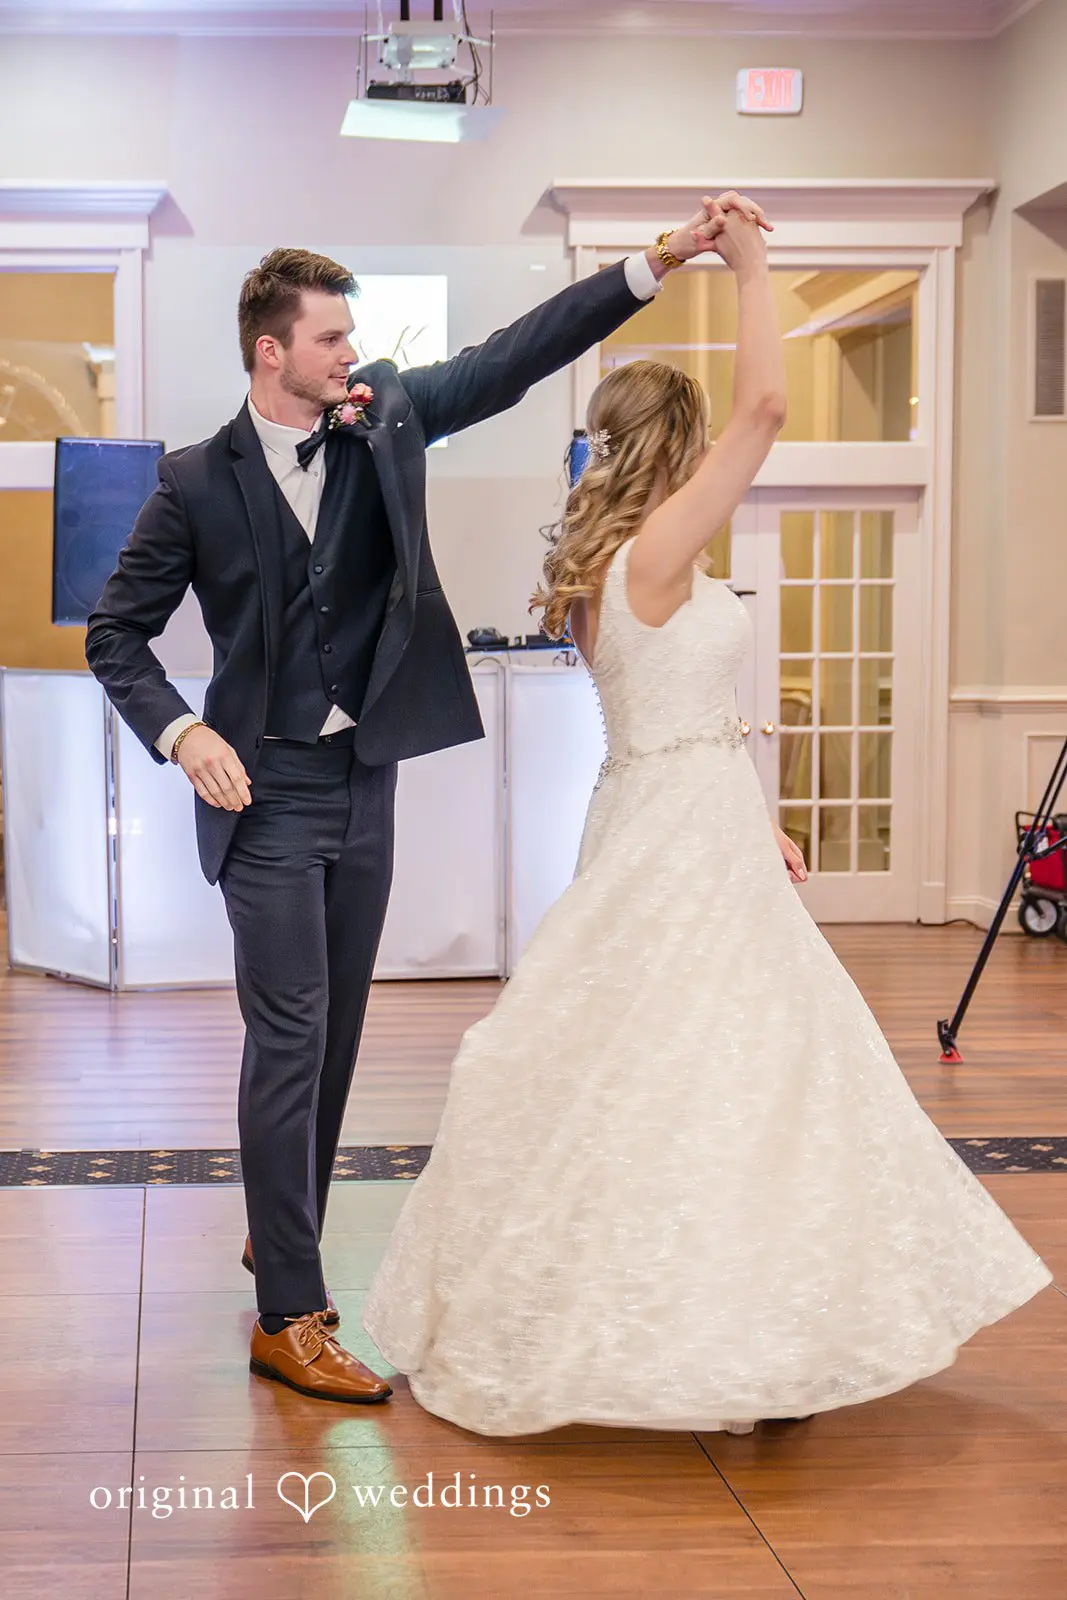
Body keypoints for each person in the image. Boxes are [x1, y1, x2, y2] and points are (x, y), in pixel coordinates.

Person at [361, 201, 1052, 1437]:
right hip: (676, 833)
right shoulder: (656, 546)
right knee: (722, 1068)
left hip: (666, 813)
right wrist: (750, 267)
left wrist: (762, 815)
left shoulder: (599, 565)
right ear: (670, 452)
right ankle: (726, 1328)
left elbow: (675, 714)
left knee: (686, 1067)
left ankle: (736, 1318)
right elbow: (770, 410)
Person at [84, 195, 758, 1404]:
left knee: (337, 1032)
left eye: (353, 337)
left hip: (365, 780)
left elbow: (508, 359)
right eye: (330, 339)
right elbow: (114, 634)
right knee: (288, 1032)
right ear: (270, 353)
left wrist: (654, 263)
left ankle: (277, 1213)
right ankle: (287, 1311)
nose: (352, 355)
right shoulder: (192, 482)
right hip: (262, 793)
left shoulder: (385, 415)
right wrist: (183, 734)